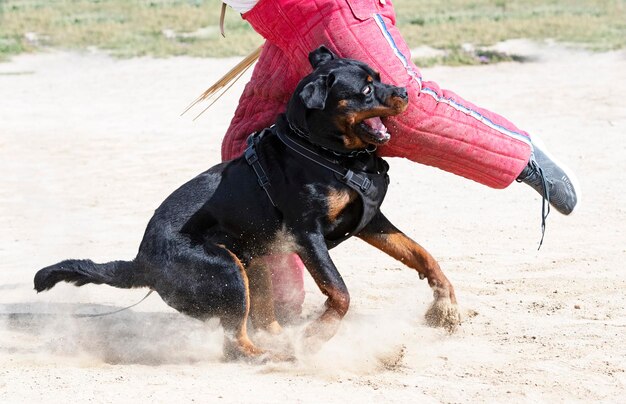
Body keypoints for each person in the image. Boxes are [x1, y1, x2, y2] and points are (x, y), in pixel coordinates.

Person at [216, 0, 580, 321]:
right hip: (278, 20)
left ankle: (519, 153)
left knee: (404, 113)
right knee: (249, 148)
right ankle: (277, 306)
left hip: (325, 8)